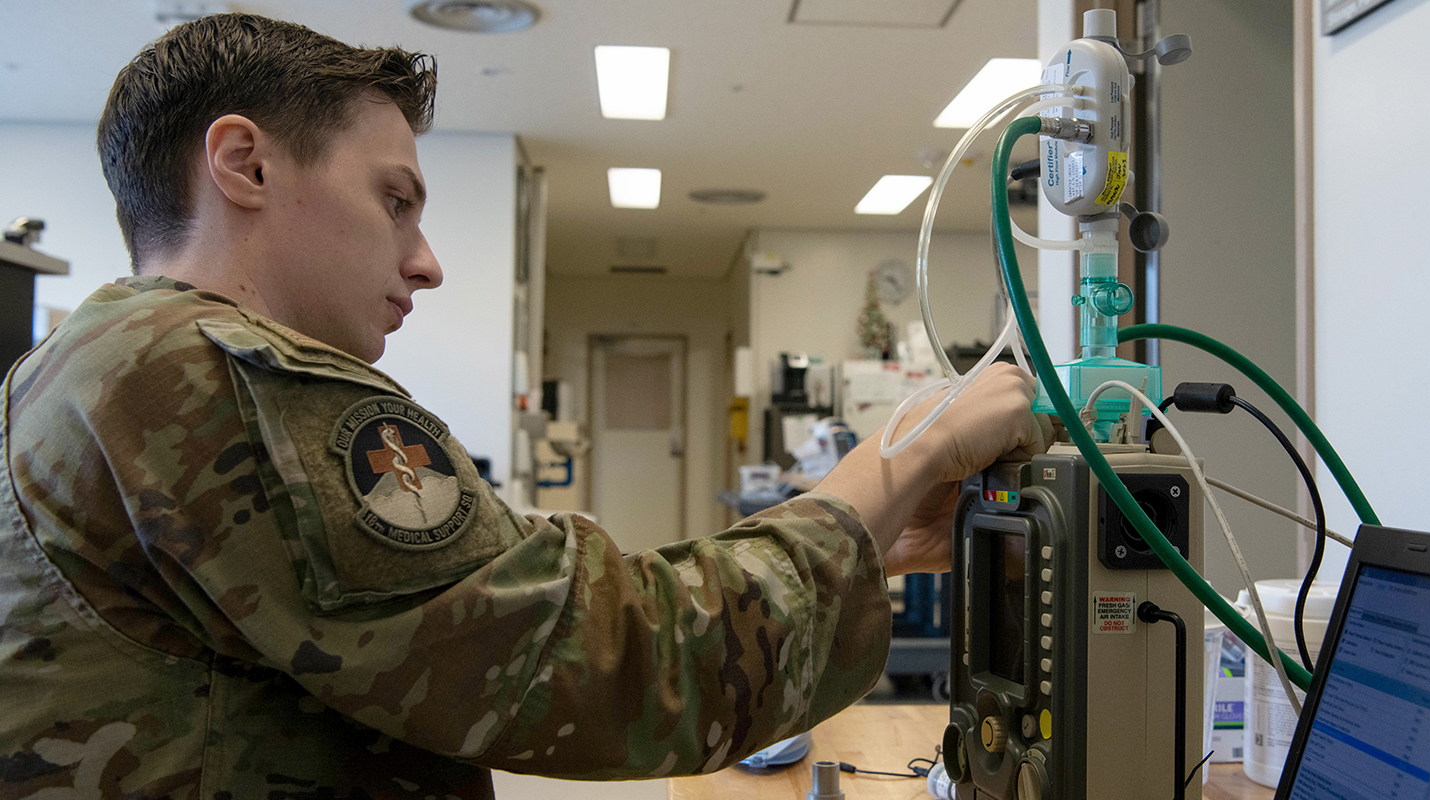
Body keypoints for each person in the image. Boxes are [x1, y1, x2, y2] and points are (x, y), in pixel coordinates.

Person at [0, 13, 1051, 799]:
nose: (426, 262)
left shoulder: (91, 362)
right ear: (245, 163)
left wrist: (862, 537)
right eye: (395, 200)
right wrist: (898, 453)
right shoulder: (217, 374)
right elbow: (616, 665)